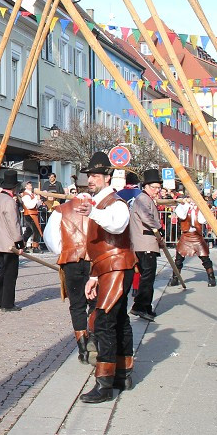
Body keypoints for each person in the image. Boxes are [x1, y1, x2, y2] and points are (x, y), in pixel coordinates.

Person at [78, 152, 137, 403]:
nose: (91, 179)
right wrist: (93, 276)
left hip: (117, 266)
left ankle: (104, 384)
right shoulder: (100, 203)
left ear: (107, 177)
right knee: (119, 319)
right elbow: (98, 243)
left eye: (95, 175)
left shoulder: (115, 202)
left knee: (104, 322)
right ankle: (122, 375)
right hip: (107, 267)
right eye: (89, 175)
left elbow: (117, 227)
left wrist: (92, 212)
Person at [44, 187, 94, 362]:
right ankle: (95, 342)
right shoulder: (97, 208)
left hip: (70, 260)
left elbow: (50, 237)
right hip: (93, 261)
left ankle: (83, 349)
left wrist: (64, 251)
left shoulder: (62, 210)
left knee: (77, 304)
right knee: (95, 302)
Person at [128, 169, 163, 322]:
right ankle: (140, 306)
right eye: (154, 187)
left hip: (147, 243)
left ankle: (145, 306)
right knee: (147, 277)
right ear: (146, 186)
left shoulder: (146, 198)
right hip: (144, 243)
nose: (157, 190)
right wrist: (159, 226)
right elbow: (146, 218)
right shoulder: (143, 199)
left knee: (148, 276)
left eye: (158, 188)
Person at [0, 170, 24, 311]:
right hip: (10, 244)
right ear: (14, 188)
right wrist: (19, 242)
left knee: (3, 272)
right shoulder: (9, 201)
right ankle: (7, 303)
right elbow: (13, 224)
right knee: (10, 274)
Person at [170, 197, 216, 287]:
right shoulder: (182, 206)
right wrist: (186, 204)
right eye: (190, 197)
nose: (192, 200)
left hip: (197, 236)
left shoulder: (201, 207)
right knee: (178, 259)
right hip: (186, 235)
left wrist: (201, 207)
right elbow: (182, 215)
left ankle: (211, 278)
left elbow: (202, 220)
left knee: (205, 258)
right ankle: (175, 278)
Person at [20, 181, 43, 252]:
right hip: (29, 214)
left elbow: (36, 205)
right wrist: (36, 198)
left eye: (30, 184)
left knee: (29, 231)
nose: (30, 185)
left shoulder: (31, 194)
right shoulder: (26, 195)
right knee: (36, 230)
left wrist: (38, 200)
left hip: (33, 214)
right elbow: (30, 205)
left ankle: (22, 246)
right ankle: (35, 247)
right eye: (28, 184)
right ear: (25, 186)